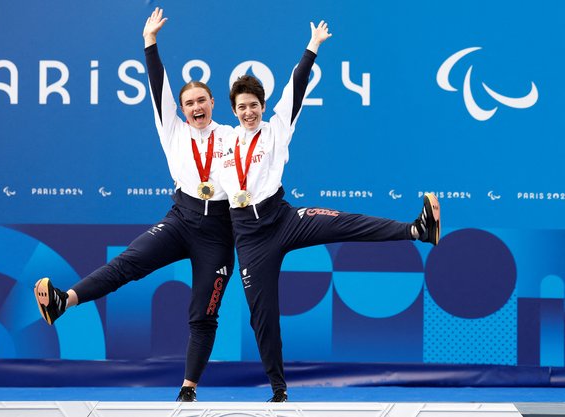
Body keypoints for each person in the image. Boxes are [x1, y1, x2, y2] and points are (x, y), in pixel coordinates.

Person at [219, 20, 441, 402]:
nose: (249, 112)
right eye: (242, 107)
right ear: (234, 110)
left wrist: (312, 46)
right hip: (249, 238)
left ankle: (417, 230)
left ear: (263, 106)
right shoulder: (223, 141)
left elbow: (296, 87)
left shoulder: (276, 130)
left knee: (346, 223)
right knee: (263, 316)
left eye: (254, 106)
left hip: (283, 220)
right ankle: (279, 390)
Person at [34, 7, 235, 402]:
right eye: (189, 102)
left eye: (202, 101)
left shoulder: (231, 135)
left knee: (204, 313)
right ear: (180, 109)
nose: (196, 107)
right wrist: (150, 43)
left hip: (219, 233)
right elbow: (158, 84)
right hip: (182, 218)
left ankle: (188, 389)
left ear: (213, 102)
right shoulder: (171, 129)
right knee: (127, 264)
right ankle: (63, 301)